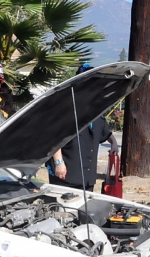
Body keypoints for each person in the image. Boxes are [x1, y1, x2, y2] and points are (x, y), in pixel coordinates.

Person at [46, 63, 119, 191]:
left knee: (86, 208)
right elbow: (54, 136)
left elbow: (104, 131)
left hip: (87, 177)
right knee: (63, 209)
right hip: (66, 173)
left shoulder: (96, 110)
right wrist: (58, 162)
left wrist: (113, 142)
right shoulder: (66, 107)